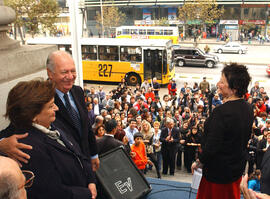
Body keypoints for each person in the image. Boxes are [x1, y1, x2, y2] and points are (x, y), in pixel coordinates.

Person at [2, 79, 97, 199]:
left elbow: (78, 152)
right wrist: (88, 193)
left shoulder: (52, 123)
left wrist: (91, 180)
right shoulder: (27, 148)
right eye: (51, 106)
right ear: (34, 116)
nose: (57, 108)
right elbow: (52, 192)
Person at [192, 63, 253, 199]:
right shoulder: (248, 108)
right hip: (235, 171)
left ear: (234, 88)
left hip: (217, 176)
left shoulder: (221, 112)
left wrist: (198, 162)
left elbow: (212, 146)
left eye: (222, 82)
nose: (218, 84)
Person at [46, 51, 99, 171]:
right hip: (64, 168)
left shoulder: (78, 91)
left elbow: (86, 126)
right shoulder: (41, 97)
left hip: (85, 160)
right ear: (50, 73)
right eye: (64, 72)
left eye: (73, 71)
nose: (70, 77)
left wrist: (93, 154)